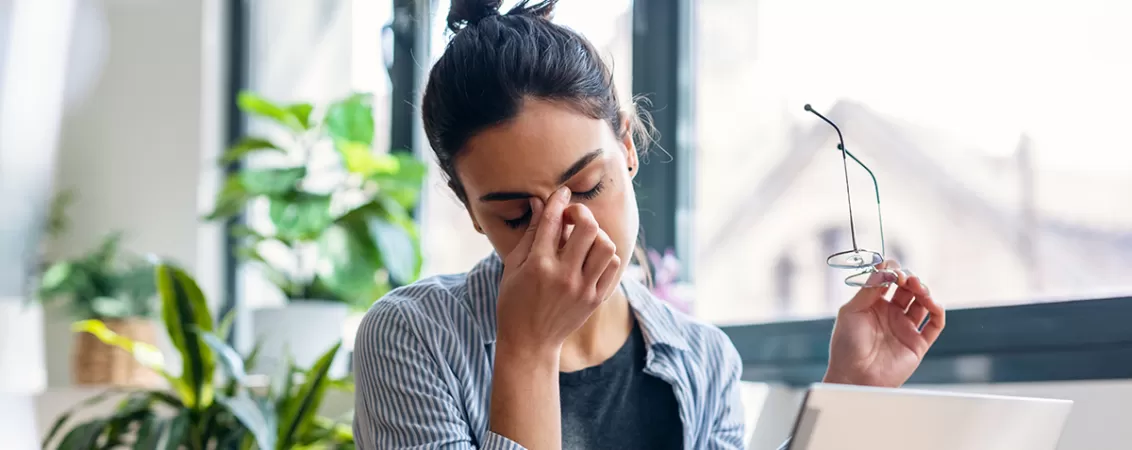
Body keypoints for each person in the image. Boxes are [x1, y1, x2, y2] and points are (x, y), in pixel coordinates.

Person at [352, 0, 945, 448]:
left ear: (628, 146)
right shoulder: (414, 338)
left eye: (588, 186)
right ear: (472, 213)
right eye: (517, 216)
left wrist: (848, 392)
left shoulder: (704, 360)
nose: (570, 233)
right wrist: (527, 352)